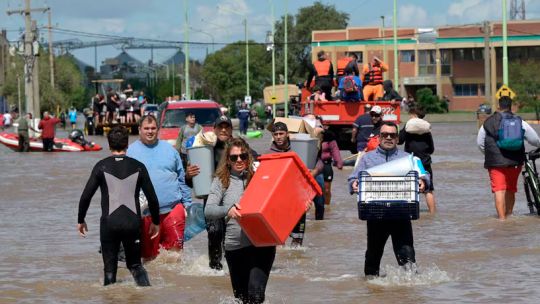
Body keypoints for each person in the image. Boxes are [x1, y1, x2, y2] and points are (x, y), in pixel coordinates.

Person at [205, 137, 311, 303]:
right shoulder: (221, 182)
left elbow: (282, 203)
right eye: (234, 157)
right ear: (228, 160)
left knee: (256, 296)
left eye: (243, 156)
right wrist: (228, 210)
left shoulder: (261, 176)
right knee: (241, 298)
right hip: (234, 246)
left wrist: (301, 205)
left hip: (262, 244)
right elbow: (209, 210)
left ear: (249, 156)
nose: (239, 160)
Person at [77, 126, 160, 286]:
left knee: (109, 270)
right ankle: (146, 294)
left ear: (109, 145)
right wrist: (156, 222)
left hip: (109, 224)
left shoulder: (101, 166)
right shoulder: (139, 166)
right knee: (135, 265)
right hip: (132, 224)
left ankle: (111, 298)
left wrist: (81, 219)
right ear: (127, 144)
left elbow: (86, 196)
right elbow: (152, 198)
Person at [348, 122, 428, 277]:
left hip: (402, 213)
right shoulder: (367, 159)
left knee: (407, 255)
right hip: (375, 213)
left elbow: (424, 174)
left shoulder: (409, 158)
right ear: (379, 138)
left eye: (392, 135)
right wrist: (354, 184)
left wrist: (423, 182)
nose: (389, 138)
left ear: (397, 138)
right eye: (385, 135)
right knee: (373, 254)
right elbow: (352, 178)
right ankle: (371, 289)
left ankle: (410, 291)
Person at [186, 115, 257, 270]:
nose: (223, 130)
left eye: (227, 127)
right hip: (213, 198)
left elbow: (255, 160)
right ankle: (215, 268)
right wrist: (188, 175)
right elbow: (192, 182)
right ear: (215, 129)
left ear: (231, 130)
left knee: (234, 234)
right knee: (214, 232)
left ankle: (234, 266)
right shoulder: (205, 148)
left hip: (235, 198)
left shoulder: (239, 148)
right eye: (220, 127)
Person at [126, 115, 192, 261]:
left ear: (158, 130)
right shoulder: (130, 152)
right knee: (149, 258)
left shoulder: (170, 150)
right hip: (145, 213)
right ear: (139, 130)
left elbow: (181, 178)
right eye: (146, 128)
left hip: (173, 208)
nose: (150, 131)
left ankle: (174, 283)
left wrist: (187, 204)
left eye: (153, 128)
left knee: (175, 255)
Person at [477, 96, 540, 220]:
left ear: (499, 106)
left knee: (499, 190)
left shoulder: (489, 122)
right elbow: (534, 139)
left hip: (495, 163)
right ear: (511, 106)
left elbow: (480, 143)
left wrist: (489, 154)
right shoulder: (519, 121)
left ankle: (502, 220)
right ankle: (509, 215)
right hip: (515, 161)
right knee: (511, 189)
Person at [266, 122, 307, 247]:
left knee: (297, 242)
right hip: (278, 202)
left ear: (287, 134)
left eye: (281, 134)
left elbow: (314, 165)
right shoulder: (268, 155)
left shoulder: (299, 150)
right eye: (276, 134)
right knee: (279, 241)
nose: (278, 137)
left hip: (297, 200)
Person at [399, 107, 436, 213]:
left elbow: (400, 141)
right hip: (425, 162)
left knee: (410, 188)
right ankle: (432, 214)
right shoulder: (426, 130)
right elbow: (431, 149)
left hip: (411, 162)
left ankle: (411, 212)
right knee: (428, 190)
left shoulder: (408, 126)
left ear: (414, 115)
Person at [321, 128, 343, 205]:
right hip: (314, 165)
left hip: (326, 165)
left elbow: (335, 151)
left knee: (326, 190)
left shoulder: (329, 137)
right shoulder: (310, 137)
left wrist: (339, 163)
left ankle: (327, 207)